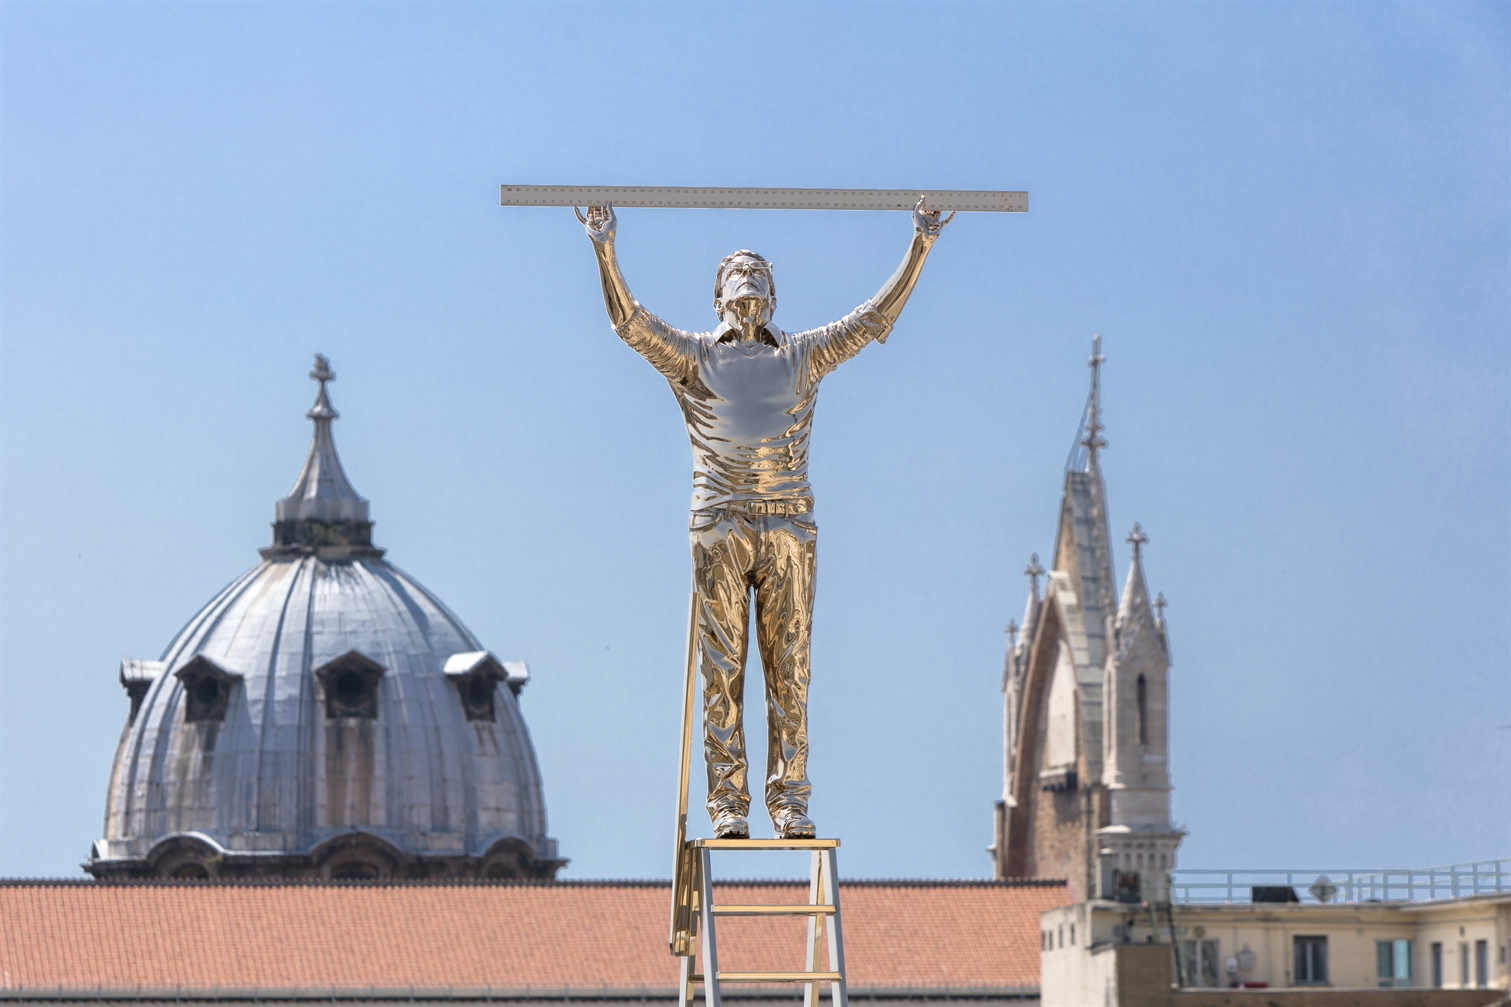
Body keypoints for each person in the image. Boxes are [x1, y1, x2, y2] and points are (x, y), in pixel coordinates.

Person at [579, 199, 951, 839]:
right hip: (719, 520)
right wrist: (604, 246)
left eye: (759, 271)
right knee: (722, 665)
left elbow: (872, 322)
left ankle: (789, 801)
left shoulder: (801, 354)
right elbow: (630, 324)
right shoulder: (694, 355)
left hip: (787, 523)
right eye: (736, 270)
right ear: (718, 293)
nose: (748, 276)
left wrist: (920, 245)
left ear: (772, 296)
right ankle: (728, 803)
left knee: (790, 666)